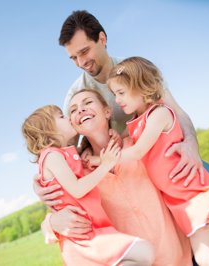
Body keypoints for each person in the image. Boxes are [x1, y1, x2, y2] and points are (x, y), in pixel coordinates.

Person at [35, 10, 209, 263]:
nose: (81, 62)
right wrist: (47, 200)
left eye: (84, 51)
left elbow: (176, 112)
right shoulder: (77, 94)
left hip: (160, 157)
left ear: (102, 39)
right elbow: (66, 150)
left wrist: (190, 145)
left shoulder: (133, 69)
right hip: (125, 166)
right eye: (73, 58)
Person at [40, 88, 194, 265]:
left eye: (88, 103)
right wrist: (51, 223)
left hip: (181, 258)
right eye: (73, 110)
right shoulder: (79, 174)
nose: (80, 110)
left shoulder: (140, 146)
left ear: (107, 111)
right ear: (73, 125)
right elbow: (61, 205)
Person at [105, 56, 209, 265]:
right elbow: (132, 140)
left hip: (190, 194)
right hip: (179, 198)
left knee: (204, 256)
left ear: (140, 87)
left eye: (121, 93)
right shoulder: (138, 121)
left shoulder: (159, 114)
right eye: (115, 94)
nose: (117, 100)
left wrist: (107, 160)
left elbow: (136, 152)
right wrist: (117, 138)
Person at [22, 104, 155, 265]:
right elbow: (77, 189)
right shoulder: (51, 156)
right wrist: (106, 164)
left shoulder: (64, 155)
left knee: (141, 255)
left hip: (92, 229)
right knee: (143, 251)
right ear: (49, 130)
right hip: (83, 237)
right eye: (62, 117)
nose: (69, 118)